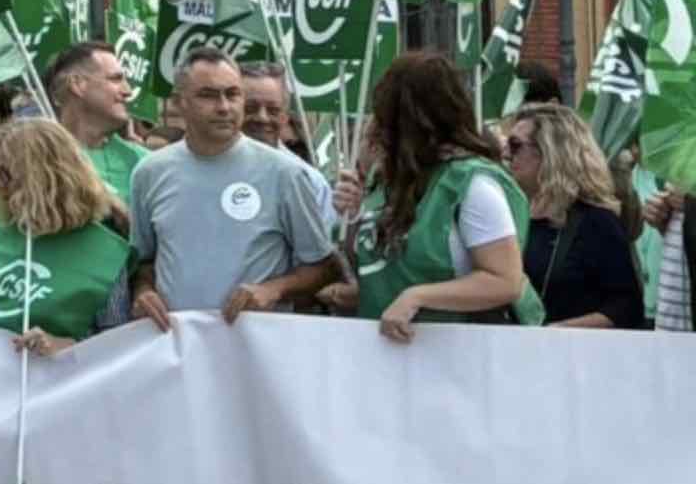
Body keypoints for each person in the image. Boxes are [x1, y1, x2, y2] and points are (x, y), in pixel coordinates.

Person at [129, 50, 338, 328]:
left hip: (255, 349)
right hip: (178, 347)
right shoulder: (149, 173)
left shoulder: (286, 174)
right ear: (179, 103)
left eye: (233, 94)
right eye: (208, 95)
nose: (224, 106)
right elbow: (143, 260)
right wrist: (143, 291)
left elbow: (323, 267)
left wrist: (273, 289)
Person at [350, 52, 532, 338]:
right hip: (392, 358)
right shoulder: (390, 181)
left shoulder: (472, 183)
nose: (377, 126)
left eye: (384, 114)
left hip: (461, 358)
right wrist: (349, 214)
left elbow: (506, 281)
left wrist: (417, 297)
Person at [0, 119, 134, 356]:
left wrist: (64, 345)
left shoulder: (108, 253)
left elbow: (117, 346)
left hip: (63, 387)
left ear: (47, 176)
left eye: (6, 173)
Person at [503, 103, 644, 330]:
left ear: (550, 151)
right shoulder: (510, 213)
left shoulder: (597, 222)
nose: (506, 154)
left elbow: (627, 307)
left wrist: (560, 331)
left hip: (576, 358)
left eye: (515, 145)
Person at [44, 40, 147, 215]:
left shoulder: (145, 163)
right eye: (115, 79)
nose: (128, 91)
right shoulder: (36, 160)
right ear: (77, 85)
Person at [236, 61, 333, 222]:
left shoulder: (309, 182)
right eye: (250, 108)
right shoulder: (205, 168)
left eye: (273, 110)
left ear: (284, 116)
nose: (262, 117)